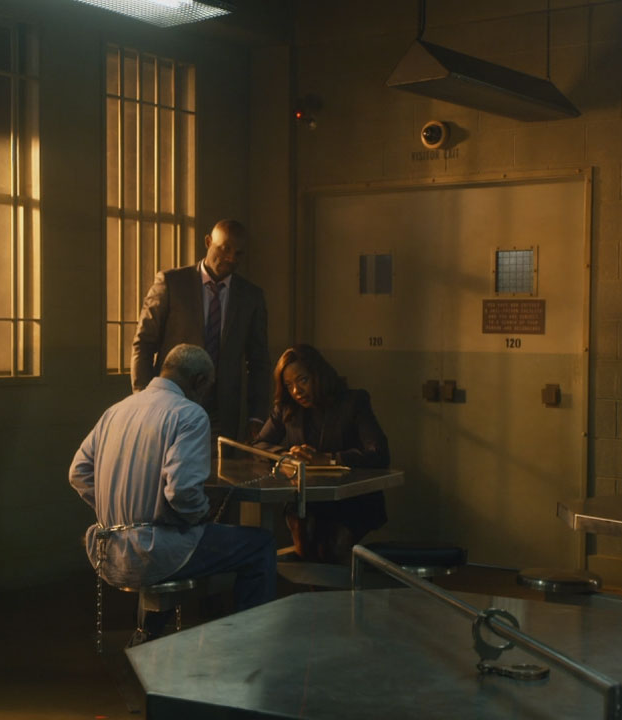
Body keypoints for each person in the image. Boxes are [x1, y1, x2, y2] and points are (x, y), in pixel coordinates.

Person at [70, 344, 276, 644]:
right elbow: (182, 492)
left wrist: (116, 506)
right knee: (260, 545)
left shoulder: (115, 410)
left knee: (173, 543)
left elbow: (78, 472)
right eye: (208, 388)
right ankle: (250, 644)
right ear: (199, 381)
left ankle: (147, 637)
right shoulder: (189, 415)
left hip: (108, 552)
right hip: (153, 553)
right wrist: (200, 514)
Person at [131, 219, 271, 443]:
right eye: (225, 249)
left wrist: (257, 416)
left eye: (238, 253)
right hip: (171, 402)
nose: (231, 258)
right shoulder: (171, 283)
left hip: (222, 412)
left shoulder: (250, 296)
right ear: (208, 242)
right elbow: (144, 344)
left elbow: (259, 361)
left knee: (216, 465)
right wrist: (144, 398)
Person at [253, 344, 390, 564]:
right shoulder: (287, 408)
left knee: (332, 549)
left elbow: (379, 454)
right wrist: (288, 456)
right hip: (305, 500)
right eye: (289, 385)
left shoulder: (354, 401)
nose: (296, 391)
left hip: (349, 500)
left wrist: (329, 459)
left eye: (303, 380)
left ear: (319, 374)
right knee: (305, 543)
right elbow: (259, 445)